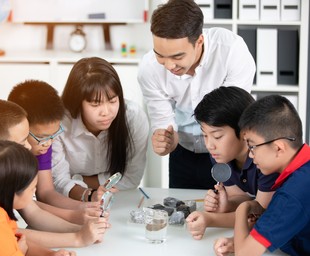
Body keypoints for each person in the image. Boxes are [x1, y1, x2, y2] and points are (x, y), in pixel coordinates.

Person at [0, 99, 107, 256]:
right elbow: (12, 235)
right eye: (21, 142)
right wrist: (77, 238)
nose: (28, 146)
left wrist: (79, 230)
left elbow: (31, 213)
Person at [0, 80, 103, 225]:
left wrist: (83, 208)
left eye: (53, 135)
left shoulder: (39, 140)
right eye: (42, 137)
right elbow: (20, 209)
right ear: (22, 125)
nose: (49, 143)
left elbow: (44, 193)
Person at [137, 0, 256, 189]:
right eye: (160, 54)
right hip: (183, 151)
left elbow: (233, 113)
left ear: (199, 41)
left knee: (227, 211)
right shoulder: (149, 68)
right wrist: (166, 139)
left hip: (227, 150)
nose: (168, 66)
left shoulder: (231, 51)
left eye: (177, 57)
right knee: (181, 212)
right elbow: (162, 120)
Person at [214, 95, 310, 256]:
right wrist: (240, 242)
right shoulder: (302, 171)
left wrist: (243, 208)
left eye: (252, 146)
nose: (251, 155)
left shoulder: (292, 194)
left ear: (278, 148)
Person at [185, 86, 278, 240]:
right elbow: (241, 197)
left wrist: (210, 219)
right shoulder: (220, 155)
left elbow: (258, 214)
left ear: (244, 132)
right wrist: (227, 204)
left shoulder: (267, 158)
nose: (209, 145)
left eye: (217, 136)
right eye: (205, 135)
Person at [52, 57, 149, 201]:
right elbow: (58, 181)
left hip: (117, 200)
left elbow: (131, 179)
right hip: (68, 202)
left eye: (112, 101)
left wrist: (78, 179)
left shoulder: (133, 117)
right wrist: (88, 195)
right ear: (78, 102)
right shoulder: (59, 122)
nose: (106, 112)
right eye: (95, 104)